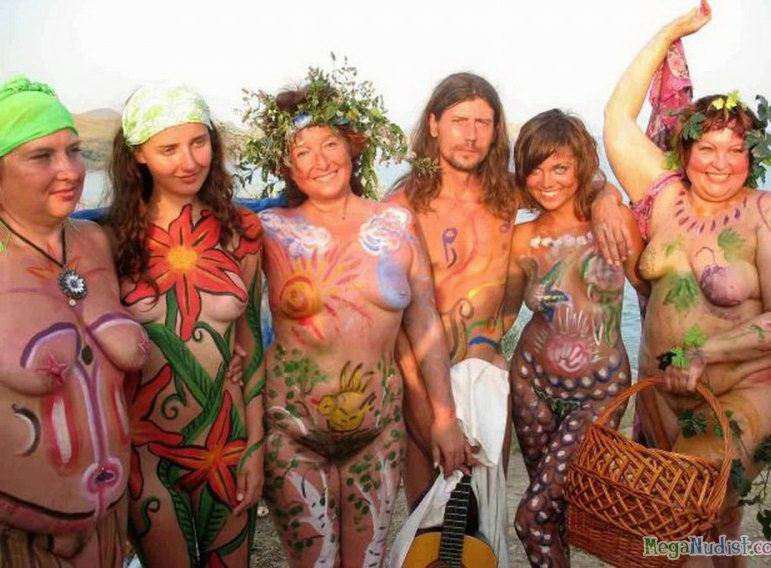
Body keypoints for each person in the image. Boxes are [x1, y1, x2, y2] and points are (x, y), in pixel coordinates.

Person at [239, 64, 471, 567]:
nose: (320, 161)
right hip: (293, 438)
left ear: (353, 145)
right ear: (285, 164)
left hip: (378, 436)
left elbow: (425, 324)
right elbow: (238, 328)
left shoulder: (396, 224)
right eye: (302, 151)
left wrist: (444, 417)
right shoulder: (269, 230)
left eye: (330, 144)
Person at [603, 0, 771, 559]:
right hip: (664, 396)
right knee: (716, 523)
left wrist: (706, 352)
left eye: (735, 150)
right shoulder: (665, 198)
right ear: (684, 151)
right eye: (707, 148)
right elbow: (617, 119)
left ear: (752, 155)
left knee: (675, 513)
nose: (720, 162)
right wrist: (671, 31)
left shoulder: (767, 214)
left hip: (746, 390)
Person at [104, 83, 265, 567]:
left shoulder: (241, 231)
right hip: (145, 453)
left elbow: (251, 344)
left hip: (227, 443)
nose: (189, 161)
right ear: (138, 155)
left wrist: (256, 447)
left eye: (199, 142)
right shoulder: (110, 243)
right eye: (168, 149)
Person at [0, 76, 148, 567]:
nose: (69, 170)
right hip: (24, 544)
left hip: (112, 532)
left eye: (74, 150)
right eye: (41, 156)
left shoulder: (95, 242)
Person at [502, 109, 647, 567]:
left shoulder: (613, 224)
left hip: (600, 392)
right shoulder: (521, 239)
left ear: (581, 166)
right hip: (531, 385)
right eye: (536, 169)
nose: (547, 181)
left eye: (560, 167)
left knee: (532, 515)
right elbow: (503, 316)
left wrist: (681, 356)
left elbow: (651, 295)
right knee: (553, 512)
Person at [385, 72, 519, 508]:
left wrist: (604, 199)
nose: (471, 135)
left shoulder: (507, 195)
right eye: (460, 121)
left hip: (490, 379)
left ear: (496, 130)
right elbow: (399, 324)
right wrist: (428, 413)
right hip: (424, 383)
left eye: (482, 122)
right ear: (433, 124)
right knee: (429, 516)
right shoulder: (401, 207)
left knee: (485, 515)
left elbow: (575, 184)